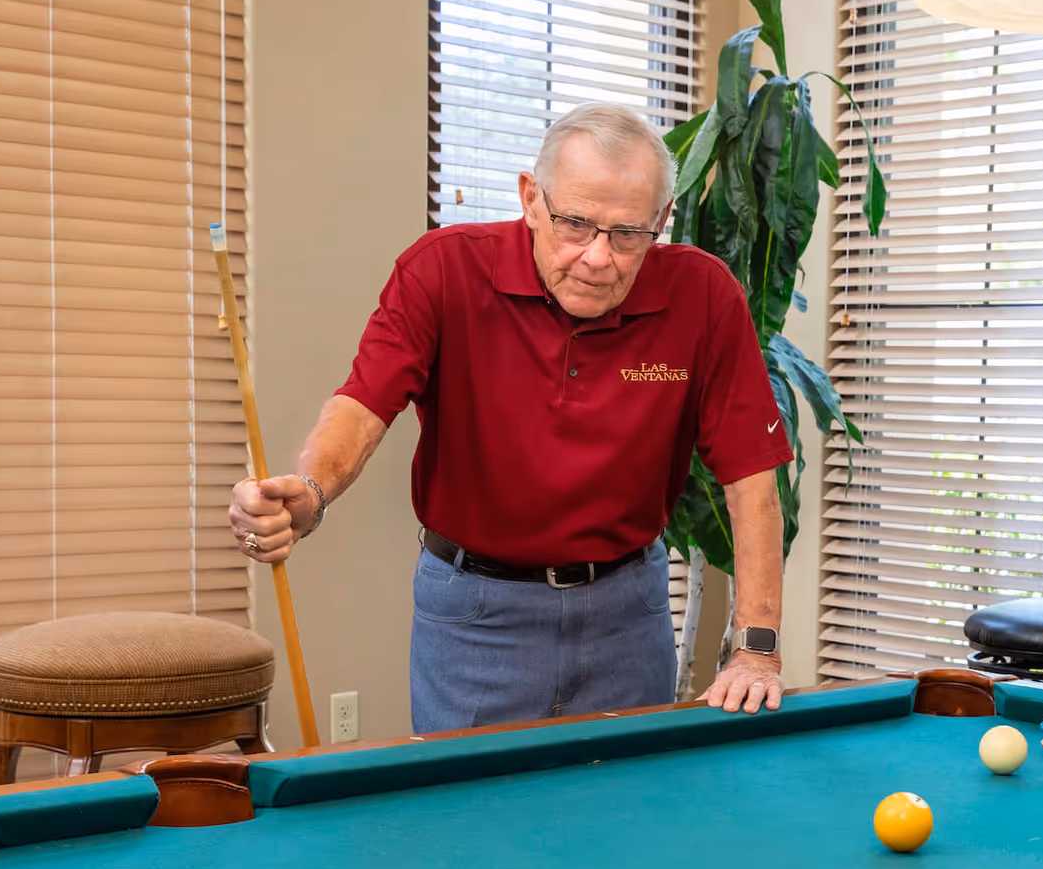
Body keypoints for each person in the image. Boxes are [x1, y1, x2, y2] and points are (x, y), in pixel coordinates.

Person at [228, 103, 794, 732]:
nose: (598, 257)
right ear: (531, 199)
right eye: (575, 224)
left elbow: (753, 482)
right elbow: (363, 405)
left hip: (628, 616)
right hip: (475, 615)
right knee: (466, 819)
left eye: (628, 234)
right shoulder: (442, 269)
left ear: (661, 219)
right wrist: (311, 492)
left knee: (626, 816)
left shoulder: (705, 296)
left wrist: (757, 649)